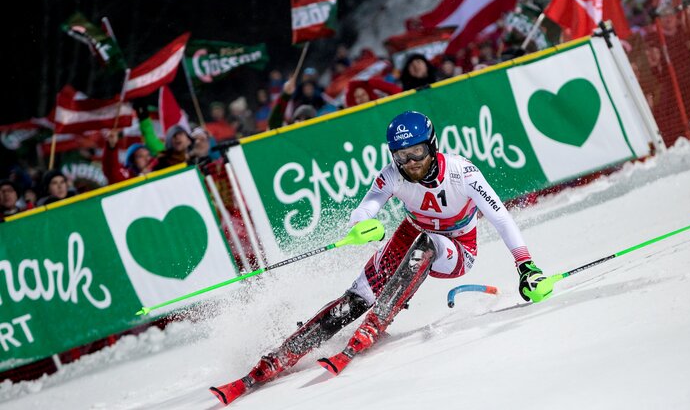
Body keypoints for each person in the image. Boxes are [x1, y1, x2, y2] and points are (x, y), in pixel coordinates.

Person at [210, 111, 547, 405]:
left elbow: (501, 217)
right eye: (402, 156)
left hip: (457, 249)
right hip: (410, 235)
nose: (411, 162)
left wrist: (525, 265)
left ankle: (375, 325)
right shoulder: (392, 174)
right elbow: (366, 207)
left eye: (417, 152)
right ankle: (275, 359)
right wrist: (363, 225)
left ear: (433, 146)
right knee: (355, 299)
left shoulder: (463, 173)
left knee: (427, 242)